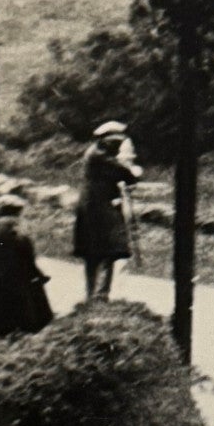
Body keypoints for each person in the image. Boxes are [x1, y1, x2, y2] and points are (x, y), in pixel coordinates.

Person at [72, 119, 143, 301]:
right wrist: (133, 170)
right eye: (116, 142)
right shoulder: (99, 156)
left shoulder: (98, 153)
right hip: (97, 209)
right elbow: (127, 174)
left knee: (102, 250)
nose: (118, 146)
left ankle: (97, 292)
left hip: (97, 207)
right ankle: (98, 293)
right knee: (104, 249)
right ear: (107, 140)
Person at [0, 196, 53, 333]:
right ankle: (36, 324)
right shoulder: (19, 230)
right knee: (34, 290)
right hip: (18, 279)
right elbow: (28, 261)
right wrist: (40, 275)